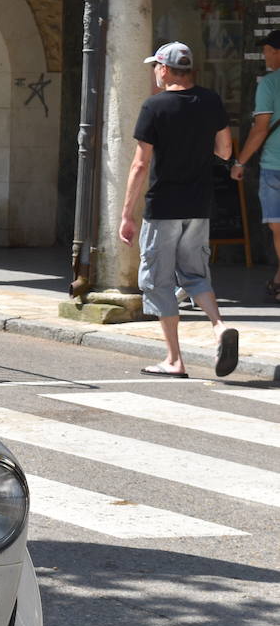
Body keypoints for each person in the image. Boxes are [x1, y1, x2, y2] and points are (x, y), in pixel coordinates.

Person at [120, 41, 238, 378]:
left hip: (164, 207)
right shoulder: (211, 100)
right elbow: (225, 150)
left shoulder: (154, 107)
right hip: (199, 205)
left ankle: (174, 359)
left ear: (166, 69)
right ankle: (219, 327)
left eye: (156, 66)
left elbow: (140, 165)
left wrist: (127, 214)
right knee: (196, 274)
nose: (155, 72)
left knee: (158, 280)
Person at [231, 29, 280, 303]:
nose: (264, 55)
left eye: (267, 50)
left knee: (278, 227)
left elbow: (260, 130)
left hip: (276, 165)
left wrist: (240, 162)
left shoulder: (270, 84)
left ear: (277, 52)